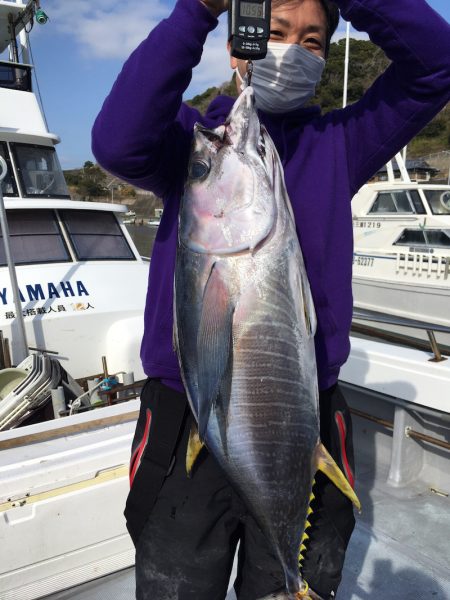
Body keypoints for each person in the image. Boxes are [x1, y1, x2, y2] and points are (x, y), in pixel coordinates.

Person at [91, 0, 450, 598]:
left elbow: (438, 65)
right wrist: (197, 12)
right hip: (190, 409)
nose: (291, 50)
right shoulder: (195, 144)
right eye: (275, 32)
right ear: (239, 48)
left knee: (295, 582)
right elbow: (116, 140)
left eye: (312, 41)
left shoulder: (341, 142)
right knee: (176, 585)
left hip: (303, 411)